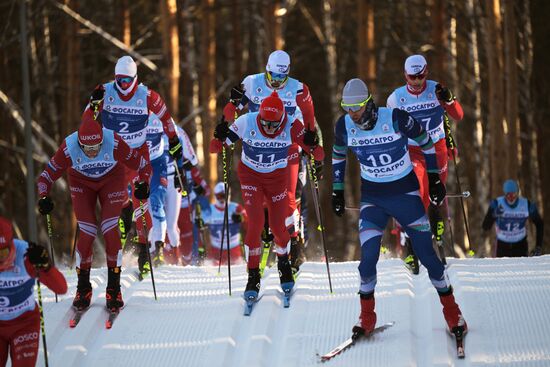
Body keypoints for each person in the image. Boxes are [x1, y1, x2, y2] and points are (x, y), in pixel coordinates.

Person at [332, 78, 467, 337]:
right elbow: (338, 153)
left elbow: (426, 142)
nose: (353, 114)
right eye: (347, 108)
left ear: (368, 102)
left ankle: (452, 312)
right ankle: (366, 317)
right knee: (367, 259)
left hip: (405, 195)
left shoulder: (394, 117)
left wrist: (435, 178)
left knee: (428, 257)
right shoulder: (345, 125)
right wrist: (337, 190)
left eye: (357, 108)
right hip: (373, 199)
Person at [210, 91, 324, 301]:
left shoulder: (291, 125)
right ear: (259, 116)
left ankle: (283, 265)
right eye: (266, 124)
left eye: (274, 125)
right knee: (255, 224)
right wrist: (220, 134)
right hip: (251, 177)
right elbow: (216, 147)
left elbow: (318, 154)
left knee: (279, 227)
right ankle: (253, 276)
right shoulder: (247, 121)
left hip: (277, 179)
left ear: (282, 119)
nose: (269, 129)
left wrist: (312, 142)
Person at [37, 114, 151, 312]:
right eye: (87, 148)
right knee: (88, 230)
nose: (91, 152)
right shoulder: (69, 147)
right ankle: (83, 288)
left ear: (102, 141)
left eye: (96, 147)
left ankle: (114, 288)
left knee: (109, 228)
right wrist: (43, 196)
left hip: (112, 180)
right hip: (81, 183)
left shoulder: (114, 142)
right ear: (80, 144)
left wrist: (143, 184)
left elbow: (143, 165)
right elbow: (45, 176)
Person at [222, 50, 321, 272]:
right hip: (256, 145)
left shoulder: (297, 88)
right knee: (260, 199)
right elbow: (235, 110)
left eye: (281, 78)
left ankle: (294, 243)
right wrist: (232, 107)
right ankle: (264, 238)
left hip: (288, 146)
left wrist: (312, 137)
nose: (276, 82)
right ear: (266, 70)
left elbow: (309, 117)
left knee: (291, 195)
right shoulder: (252, 82)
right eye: (273, 77)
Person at [85, 55, 183, 276]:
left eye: (128, 81)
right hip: (112, 156)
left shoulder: (147, 96)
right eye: (120, 81)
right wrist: (93, 105)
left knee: (143, 202)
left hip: (139, 156)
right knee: (118, 201)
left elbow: (166, 119)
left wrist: (174, 142)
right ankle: (124, 209)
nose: (123, 86)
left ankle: (144, 251)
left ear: (136, 79)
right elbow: (86, 120)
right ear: (115, 78)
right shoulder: (104, 91)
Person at [387, 54, 464, 271]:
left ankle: (436, 221)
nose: (417, 82)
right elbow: (392, 128)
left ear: (426, 72)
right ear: (405, 75)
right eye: (412, 77)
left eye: (420, 76)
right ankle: (412, 243)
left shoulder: (437, 89)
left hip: (437, 147)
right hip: (414, 150)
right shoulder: (396, 98)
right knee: (417, 192)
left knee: (435, 192)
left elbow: (458, 115)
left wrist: (449, 100)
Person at [0, 216, 67, 367]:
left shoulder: (26, 255)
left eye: (3, 253)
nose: (1, 260)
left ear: (11, 244)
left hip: (24, 323)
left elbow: (61, 289)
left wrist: (45, 267)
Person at [482, 179, 544, 257]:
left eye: (513, 194)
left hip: (520, 245)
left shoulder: (526, 204)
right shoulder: (496, 204)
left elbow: (539, 224)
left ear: (517, 193)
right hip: (502, 246)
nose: (511, 198)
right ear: (504, 194)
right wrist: (494, 215)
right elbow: (485, 226)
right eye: (508, 195)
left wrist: (538, 246)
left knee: (521, 268)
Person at [201, 182, 247, 265]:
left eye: (224, 196)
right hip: (216, 249)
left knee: (237, 269)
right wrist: (200, 222)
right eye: (219, 196)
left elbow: (249, 222)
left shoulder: (236, 207)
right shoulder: (210, 209)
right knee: (213, 269)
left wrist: (241, 218)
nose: (222, 200)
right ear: (215, 196)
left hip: (234, 249)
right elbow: (199, 224)